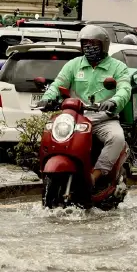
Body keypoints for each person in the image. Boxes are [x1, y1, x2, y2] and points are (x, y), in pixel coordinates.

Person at [40, 25, 132, 189]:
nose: (88, 47)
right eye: (85, 43)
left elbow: (125, 89)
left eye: (93, 43)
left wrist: (114, 101)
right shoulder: (73, 65)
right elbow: (58, 84)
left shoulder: (118, 67)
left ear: (103, 45)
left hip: (104, 119)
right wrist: (47, 98)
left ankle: (95, 175)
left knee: (117, 138)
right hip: (77, 118)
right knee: (51, 133)